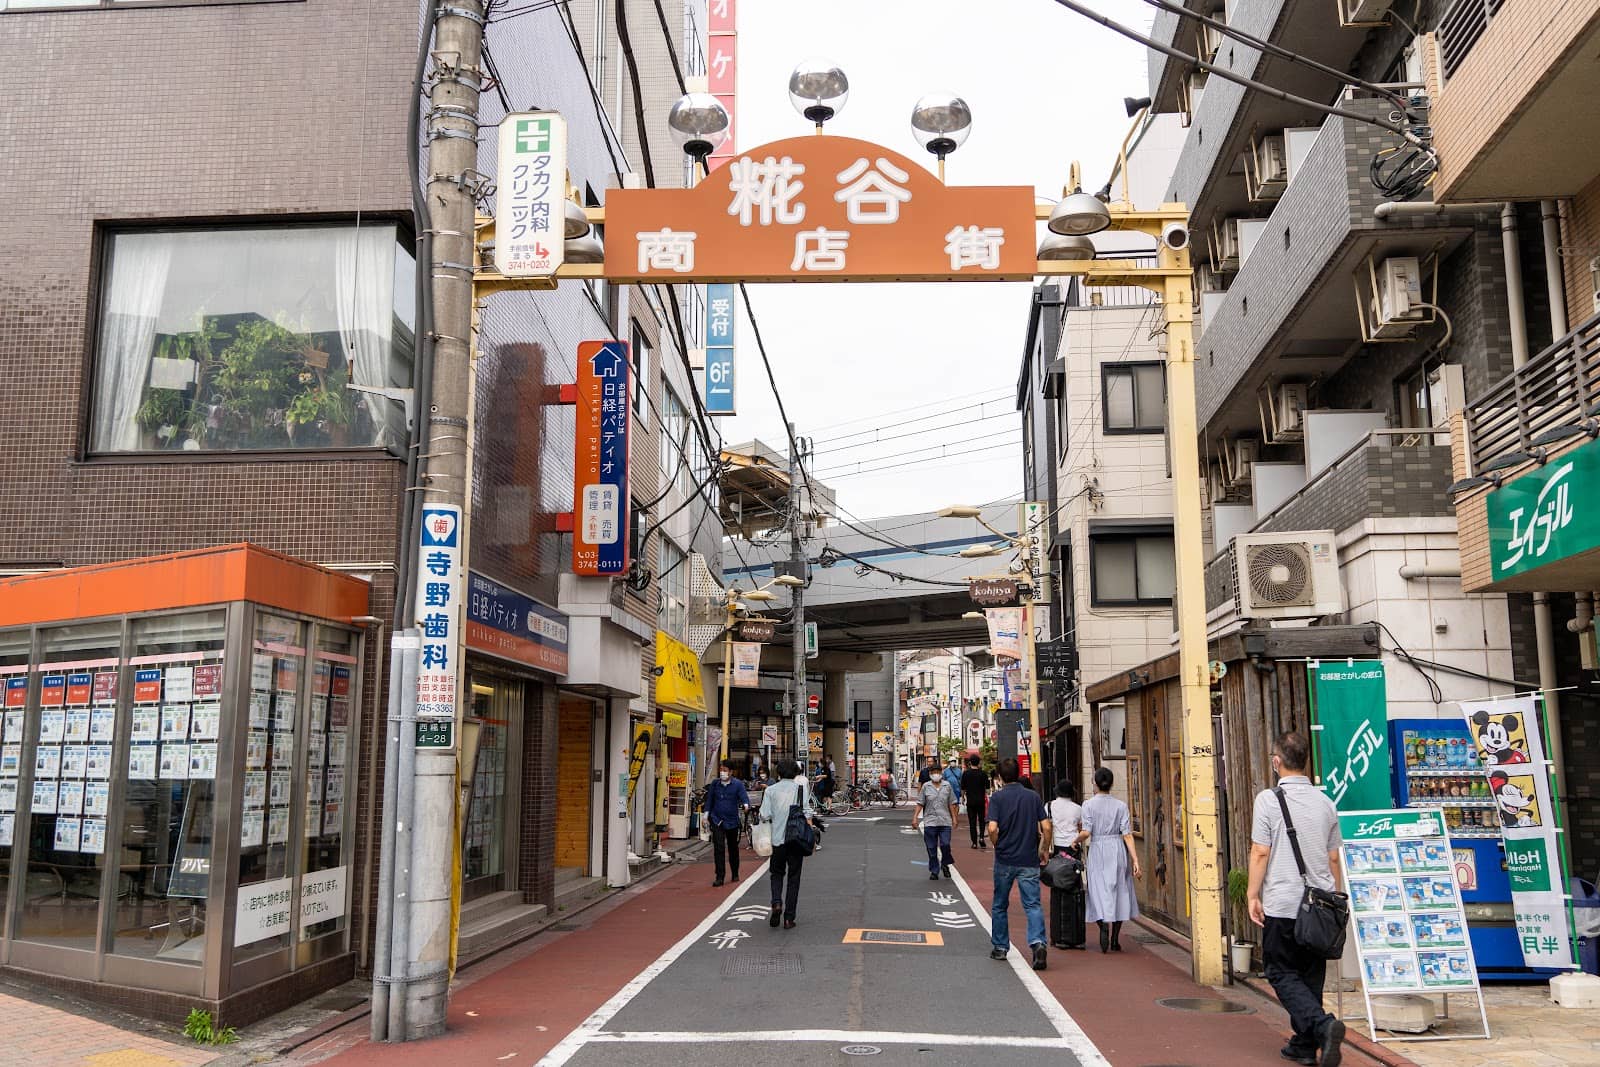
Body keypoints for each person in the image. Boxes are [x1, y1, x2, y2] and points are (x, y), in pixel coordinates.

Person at [1248, 732, 1345, 1067]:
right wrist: (1335, 901)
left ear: (1277, 762)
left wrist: (1251, 894)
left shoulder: (1268, 800)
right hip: (1320, 904)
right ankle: (1304, 1046)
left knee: (1279, 971)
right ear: (1306, 761)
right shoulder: (1326, 803)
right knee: (1310, 976)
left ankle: (1322, 1026)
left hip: (1284, 903)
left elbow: (1261, 852)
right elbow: (1333, 860)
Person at [986, 756, 1051, 971]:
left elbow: (992, 828)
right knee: (1032, 904)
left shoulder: (997, 798)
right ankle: (1038, 943)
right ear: (1018, 775)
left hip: (1005, 859)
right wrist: (1043, 850)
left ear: (1000, 777)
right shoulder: (1032, 797)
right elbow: (1047, 827)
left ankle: (1000, 947)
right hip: (1028, 858)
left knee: (1000, 904)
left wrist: (997, 844)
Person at [1077, 766, 1141, 953]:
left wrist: (1076, 839)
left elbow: (1087, 831)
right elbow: (1127, 834)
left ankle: (1102, 922)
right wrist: (1135, 860)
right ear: (1111, 784)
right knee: (1120, 890)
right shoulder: (1121, 806)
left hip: (1098, 848)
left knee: (1097, 890)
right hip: (1117, 849)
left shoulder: (1088, 805)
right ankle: (1114, 938)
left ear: (1095, 783)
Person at [759, 760, 817, 930]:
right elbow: (807, 812)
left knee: (776, 873)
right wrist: (811, 834)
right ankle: (789, 918)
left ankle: (776, 902)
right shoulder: (800, 789)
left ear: (779, 773)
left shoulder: (770, 790)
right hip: (796, 839)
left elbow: (764, 814)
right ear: (795, 773)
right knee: (794, 878)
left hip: (778, 840)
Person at [1047, 779, 1086, 950]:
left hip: (1057, 850)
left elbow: (1046, 829)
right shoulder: (1078, 808)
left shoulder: (1049, 806)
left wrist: (1043, 850)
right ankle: (1075, 936)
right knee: (1075, 889)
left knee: (1057, 889)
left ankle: (1058, 934)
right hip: (1073, 849)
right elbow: (1081, 828)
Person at [701, 759, 749, 887]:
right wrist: (705, 815)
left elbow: (744, 797)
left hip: (732, 821)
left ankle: (734, 872)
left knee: (733, 848)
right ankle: (719, 876)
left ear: (731, 772)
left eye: (725, 770)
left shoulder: (738, 784)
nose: (722, 772)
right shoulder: (715, 784)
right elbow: (709, 800)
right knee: (719, 848)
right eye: (721, 770)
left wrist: (746, 805)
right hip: (717, 820)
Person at [912, 766, 958, 880]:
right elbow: (920, 803)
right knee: (931, 848)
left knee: (945, 844)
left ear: (941, 773)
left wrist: (954, 818)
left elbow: (952, 803)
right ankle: (934, 870)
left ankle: (945, 863)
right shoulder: (926, 787)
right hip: (930, 821)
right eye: (933, 772)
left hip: (945, 821)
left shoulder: (947, 785)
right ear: (930, 774)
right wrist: (915, 818)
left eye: (938, 772)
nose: (936, 774)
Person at [960, 756, 990, 849]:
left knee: (972, 822)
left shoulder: (966, 774)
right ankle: (981, 837)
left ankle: (974, 842)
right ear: (979, 763)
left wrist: (963, 798)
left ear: (970, 763)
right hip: (981, 801)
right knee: (981, 820)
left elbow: (963, 788)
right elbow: (988, 789)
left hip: (971, 801)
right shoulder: (983, 774)